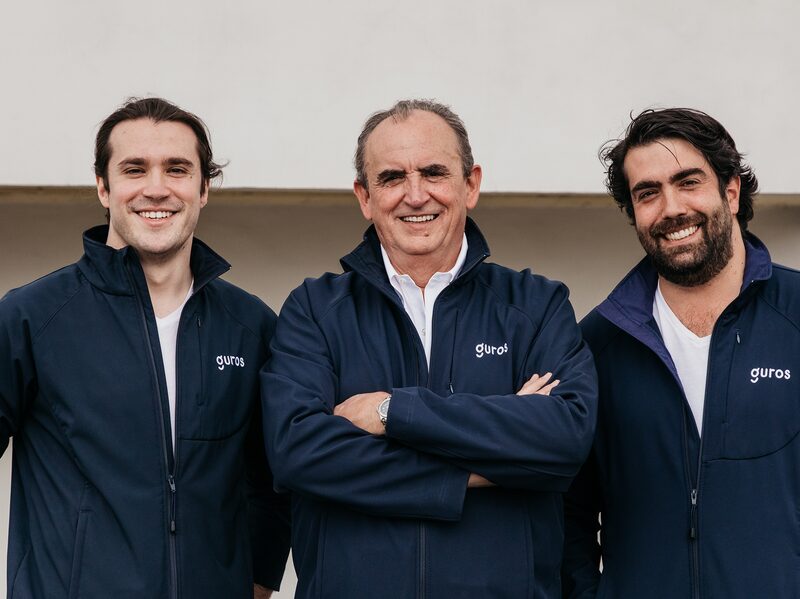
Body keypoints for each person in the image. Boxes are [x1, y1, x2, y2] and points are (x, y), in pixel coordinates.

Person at [262, 99, 597, 598]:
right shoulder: (315, 310)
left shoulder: (537, 305)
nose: (415, 195)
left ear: (471, 184)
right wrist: (489, 463)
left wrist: (393, 412)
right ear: (364, 197)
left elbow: (563, 441)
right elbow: (299, 454)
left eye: (434, 173)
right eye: (392, 177)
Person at [0, 97, 290, 598]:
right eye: (135, 169)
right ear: (103, 187)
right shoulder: (32, 318)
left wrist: (256, 584)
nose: (156, 188)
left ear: (203, 189)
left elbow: (272, 483)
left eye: (177, 169)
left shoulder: (251, 327)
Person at [562, 108, 800, 598]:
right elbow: (568, 514)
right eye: (647, 193)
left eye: (688, 181)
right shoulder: (596, 345)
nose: (670, 208)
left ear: (730, 192)